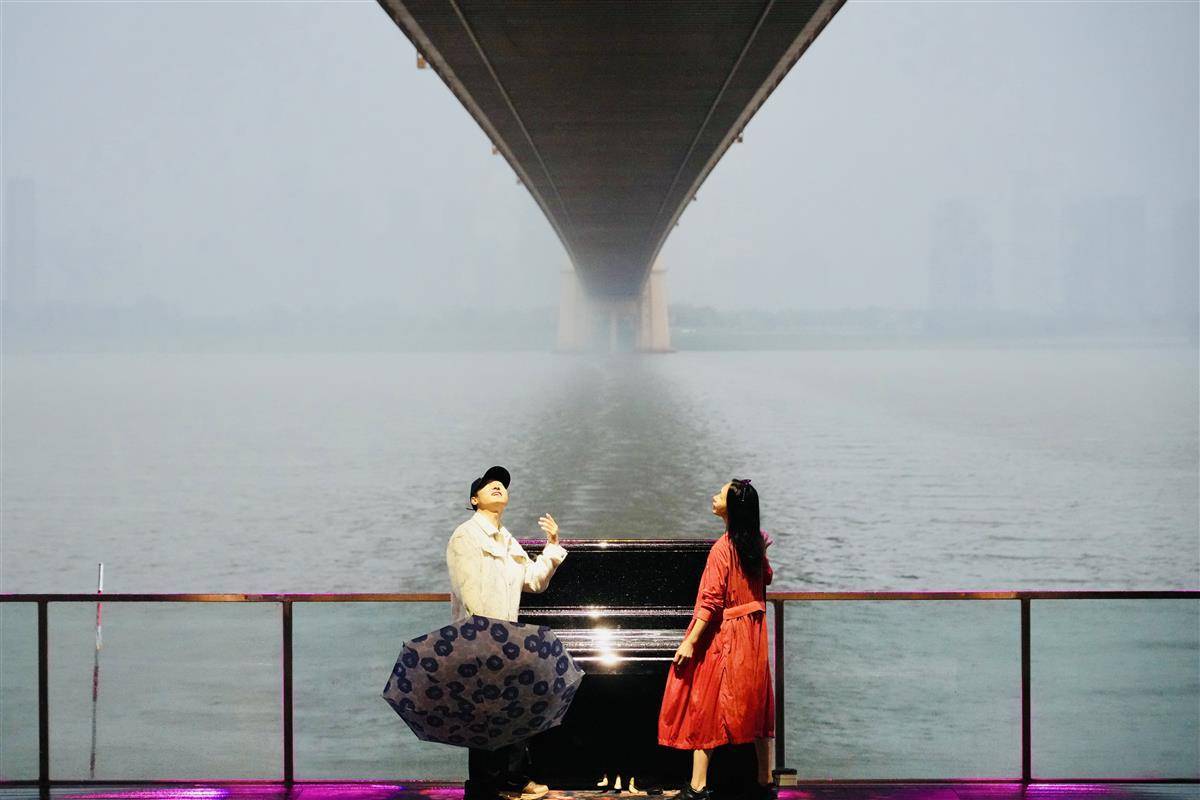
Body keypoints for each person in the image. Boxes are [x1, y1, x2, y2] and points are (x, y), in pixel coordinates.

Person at [447, 465, 568, 800]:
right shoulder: (465, 536)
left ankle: (513, 780)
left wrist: (552, 545)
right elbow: (469, 593)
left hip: (508, 640)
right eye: (489, 484)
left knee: (513, 712)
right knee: (484, 720)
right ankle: (483, 790)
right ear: (474, 499)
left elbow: (534, 581)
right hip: (481, 640)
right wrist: (488, 639)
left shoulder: (507, 539)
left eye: (502, 484)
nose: (498, 486)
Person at [658, 479, 775, 800]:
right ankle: (764, 780)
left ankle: (697, 786)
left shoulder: (722, 549)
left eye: (720, 495)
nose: (713, 497)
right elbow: (766, 578)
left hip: (728, 636)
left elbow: (710, 601)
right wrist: (763, 552)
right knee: (756, 705)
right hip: (754, 636)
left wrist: (690, 641)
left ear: (731, 508)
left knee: (706, 705)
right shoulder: (753, 544)